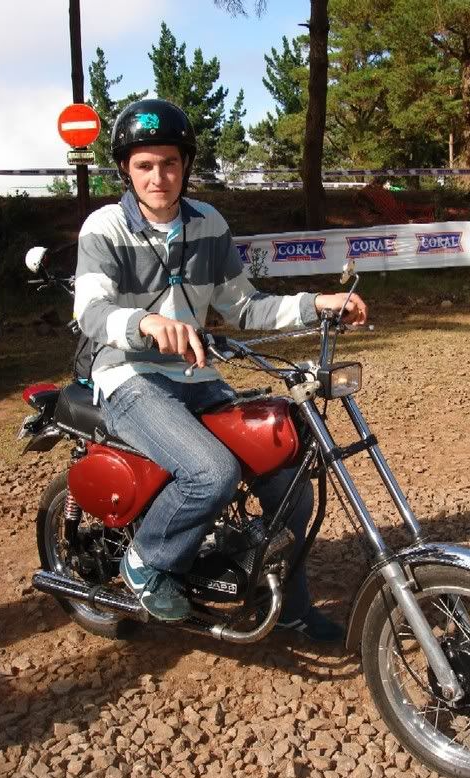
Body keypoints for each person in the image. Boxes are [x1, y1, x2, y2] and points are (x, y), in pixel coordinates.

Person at [74, 98, 367, 641]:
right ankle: (145, 561)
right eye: (144, 165)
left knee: (289, 476)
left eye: (169, 163)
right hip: (128, 376)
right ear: (125, 169)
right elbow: (90, 311)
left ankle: (288, 606)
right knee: (211, 472)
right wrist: (145, 323)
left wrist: (315, 304)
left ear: (185, 164)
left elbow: (244, 307)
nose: (158, 176)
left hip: (197, 375)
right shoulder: (105, 226)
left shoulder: (208, 223)